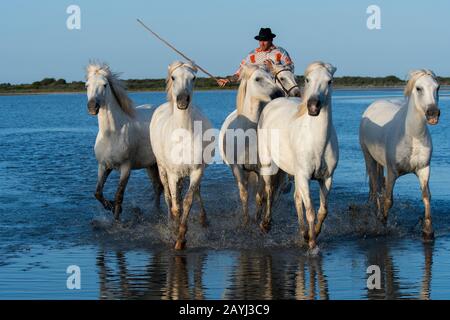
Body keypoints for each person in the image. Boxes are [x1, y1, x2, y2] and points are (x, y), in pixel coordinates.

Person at [217, 28, 294, 87]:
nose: (262, 43)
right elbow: (240, 72)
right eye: (260, 40)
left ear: (271, 40)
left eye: (265, 40)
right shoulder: (252, 55)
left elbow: (290, 67)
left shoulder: (280, 52)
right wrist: (227, 80)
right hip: (257, 90)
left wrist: (274, 68)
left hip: (275, 88)